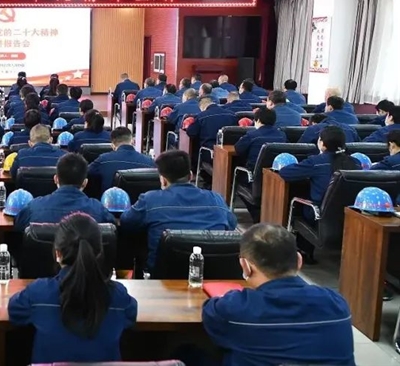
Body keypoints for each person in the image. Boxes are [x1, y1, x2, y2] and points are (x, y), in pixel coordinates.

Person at [202, 224, 354, 366]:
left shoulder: (235, 309)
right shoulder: (337, 304)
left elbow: (210, 315)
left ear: (246, 266)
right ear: (299, 260)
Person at [8, 213, 138, 363]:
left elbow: (14, 312)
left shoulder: (38, 293)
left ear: (58, 253)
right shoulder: (118, 296)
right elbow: (131, 315)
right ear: (99, 252)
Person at [119, 150, 237, 272]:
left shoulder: (149, 200)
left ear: (163, 180)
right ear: (190, 176)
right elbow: (231, 225)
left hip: (161, 276)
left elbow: (126, 222)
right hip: (212, 274)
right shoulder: (216, 199)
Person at [14, 153, 116, 231]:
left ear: (56, 179)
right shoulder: (99, 211)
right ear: (85, 183)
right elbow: (113, 229)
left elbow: (17, 226)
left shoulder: (34, 208)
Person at [279, 126, 359, 220]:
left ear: (322, 143)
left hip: (317, 214)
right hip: (348, 217)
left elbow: (285, 173)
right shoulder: (356, 162)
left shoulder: (316, 162)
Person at [88, 127, 155, 191]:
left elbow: (85, 173)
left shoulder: (103, 160)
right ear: (133, 141)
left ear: (112, 146)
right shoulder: (150, 162)